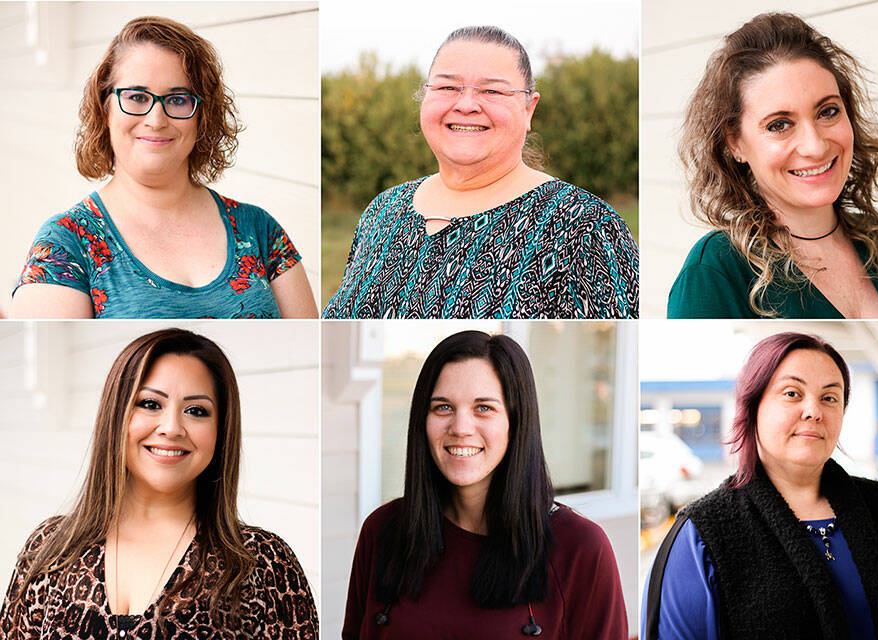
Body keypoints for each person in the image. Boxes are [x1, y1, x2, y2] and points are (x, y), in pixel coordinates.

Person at [0, 328, 318, 637]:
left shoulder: (263, 564)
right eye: (151, 404)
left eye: (196, 410)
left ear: (221, 430)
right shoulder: (50, 548)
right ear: (116, 414)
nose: (172, 427)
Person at [644, 332, 878, 639]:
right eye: (792, 393)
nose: (814, 411)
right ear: (753, 407)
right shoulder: (703, 535)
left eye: (830, 398)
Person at [11, 16, 317, 319]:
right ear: (105, 108)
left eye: (178, 99)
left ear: (203, 116)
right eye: (136, 97)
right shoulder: (66, 244)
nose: (156, 119)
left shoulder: (260, 230)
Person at [323, 26, 639, 319]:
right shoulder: (383, 210)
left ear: (529, 109)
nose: (466, 104)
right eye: (448, 86)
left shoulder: (584, 227)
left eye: (491, 91)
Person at [342, 331, 627, 638]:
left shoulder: (580, 549)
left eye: (484, 408)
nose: (461, 428)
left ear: (516, 422)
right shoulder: (382, 531)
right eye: (443, 407)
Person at [666, 13, 878, 319]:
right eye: (779, 125)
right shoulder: (714, 272)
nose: (815, 146)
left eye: (827, 112)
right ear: (736, 143)